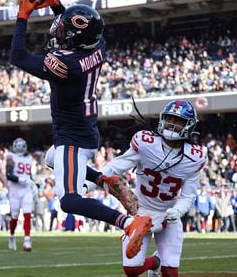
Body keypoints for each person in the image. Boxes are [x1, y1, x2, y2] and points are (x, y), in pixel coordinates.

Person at [10, 0, 150, 259]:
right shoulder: (98, 46)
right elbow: (75, 29)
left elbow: (17, 56)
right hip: (84, 130)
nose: (58, 35)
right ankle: (102, 179)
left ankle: (129, 223)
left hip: (73, 138)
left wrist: (23, 15)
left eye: (64, 33)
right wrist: (55, 4)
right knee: (51, 158)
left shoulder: (65, 64)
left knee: (69, 200)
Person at [88, 100, 207, 276]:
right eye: (169, 119)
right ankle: (156, 262)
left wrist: (178, 211)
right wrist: (87, 184)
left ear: (189, 126)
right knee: (132, 270)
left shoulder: (195, 156)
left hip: (168, 216)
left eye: (179, 121)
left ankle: (163, 263)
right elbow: (114, 168)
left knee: (170, 272)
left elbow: (188, 196)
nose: (172, 124)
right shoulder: (146, 142)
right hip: (139, 212)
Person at [5, 138, 36, 251]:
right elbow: (8, 174)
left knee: (27, 214)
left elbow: (30, 176)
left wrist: (33, 185)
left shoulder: (29, 158)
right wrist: (22, 179)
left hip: (26, 189)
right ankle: (12, 236)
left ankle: (27, 241)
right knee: (14, 215)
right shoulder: (10, 157)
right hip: (14, 189)